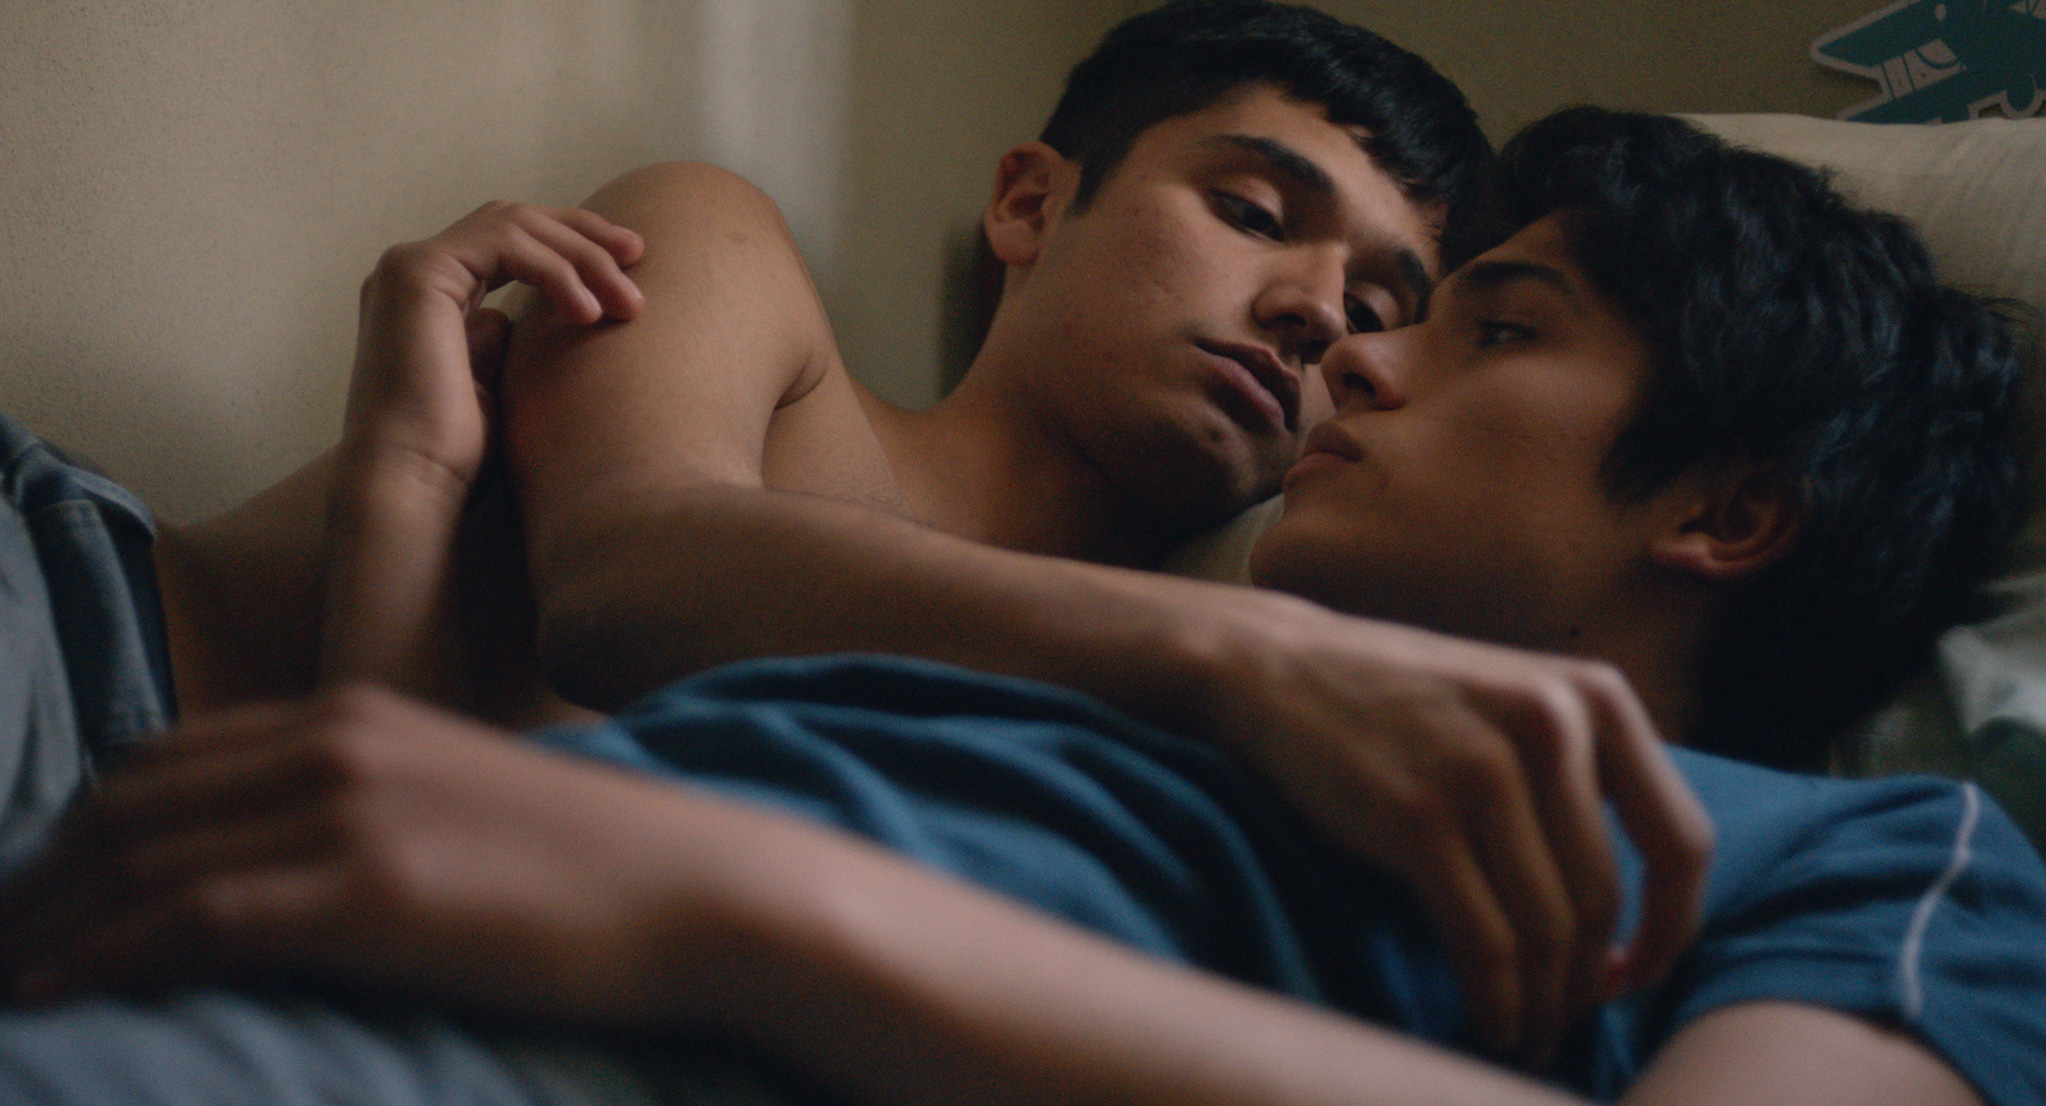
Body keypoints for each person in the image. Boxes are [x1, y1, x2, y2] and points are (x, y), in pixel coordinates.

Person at [2, 109, 2039, 1106]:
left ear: (1727, 507)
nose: (1348, 350)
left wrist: (735, 903)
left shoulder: (1891, 854)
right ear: (1029, 202)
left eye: (1486, 325)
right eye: (1252, 213)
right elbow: (485, 765)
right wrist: (410, 481)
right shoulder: (1082, 673)